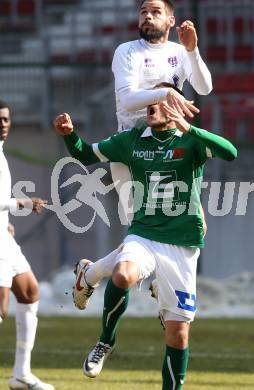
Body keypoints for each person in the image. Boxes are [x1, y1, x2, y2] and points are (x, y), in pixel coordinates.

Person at [53, 83, 237, 388]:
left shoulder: (190, 142)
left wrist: (190, 129)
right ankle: (105, 341)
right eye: (150, 100)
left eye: (160, 100)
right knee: (123, 274)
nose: (151, 105)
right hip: (144, 235)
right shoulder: (132, 140)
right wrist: (69, 134)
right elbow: (85, 154)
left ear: (175, 106)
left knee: (178, 335)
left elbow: (230, 153)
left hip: (183, 246)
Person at [71, 0, 212, 311]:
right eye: (143, 11)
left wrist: (192, 51)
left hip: (172, 149)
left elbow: (204, 86)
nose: (148, 16)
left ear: (171, 20)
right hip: (133, 151)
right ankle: (100, 275)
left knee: (194, 226)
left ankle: (95, 273)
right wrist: (166, 93)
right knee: (145, 229)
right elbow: (128, 98)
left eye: (155, 11)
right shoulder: (127, 51)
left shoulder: (178, 52)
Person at [0, 100, 54, 390]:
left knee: (30, 291)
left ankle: (21, 374)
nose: (3, 124)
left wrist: (6, 219)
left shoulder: (1, 153)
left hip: (3, 237)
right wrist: (19, 203)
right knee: (1, 307)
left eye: (6, 119)